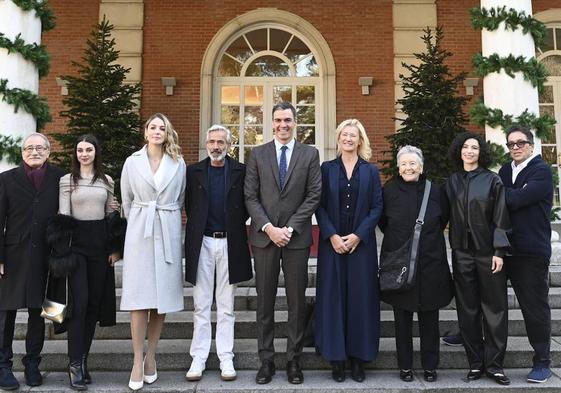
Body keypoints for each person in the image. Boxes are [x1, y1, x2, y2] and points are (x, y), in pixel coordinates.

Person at [244, 102, 321, 385]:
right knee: (264, 302)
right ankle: (266, 361)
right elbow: (250, 196)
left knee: (296, 303)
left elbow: (314, 195)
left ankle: (293, 360)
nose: (282, 125)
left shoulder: (310, 154)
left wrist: (288, 228)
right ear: (271, 123)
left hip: (296, 238)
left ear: (295, 123)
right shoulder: (258, 154)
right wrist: (268, 227)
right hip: (265, 239)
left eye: (287, 120)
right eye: (278, 120)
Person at [120, 113, 186, 391]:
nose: (157, 131)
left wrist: (166, 218)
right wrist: (140, 219)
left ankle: (152, 357)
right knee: (138, 298)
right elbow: (126, 200)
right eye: (153, 127)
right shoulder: (132, 162)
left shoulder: (178, 162)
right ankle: (137, 359)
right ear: (145, 132)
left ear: (167, 132)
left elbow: (180, 198)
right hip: (140, 231)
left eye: (162, 128)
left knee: (162, 300)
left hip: (168, 229)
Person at [315, 119, 383, 383]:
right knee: (333, 300)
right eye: (344, 134)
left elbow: (377, 207)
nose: (348, 139)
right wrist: (331, 235)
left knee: (360, 300)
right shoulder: (326, 169)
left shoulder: (371, 171)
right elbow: (318, 205)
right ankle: (336, 359)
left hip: (361, 247)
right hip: (331, 245)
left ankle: (358, 359)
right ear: (338, 138)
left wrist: (358, 235)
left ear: (360, 140)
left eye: (353, 135)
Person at [379, 145, 453, 383]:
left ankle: (430, 366)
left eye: (413, 164)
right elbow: (383, 223)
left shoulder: (436, 191)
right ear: (398, 168)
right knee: (402, 320)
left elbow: (443, 219)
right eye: (404, 164)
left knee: (430, 319)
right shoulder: (388, 191)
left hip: (431, 264)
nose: (408, 168)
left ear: (421, 168)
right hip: (399, 265)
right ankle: (405, 367)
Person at [184, 125, 252, 382]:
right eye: (212, 141)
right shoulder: (193, 172)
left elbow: (245, 207)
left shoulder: (240, 171)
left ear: (229, 145)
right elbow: (190, 206)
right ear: (206, 144)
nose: (216, 146)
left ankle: (226, 357)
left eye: (220, 142)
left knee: (226, 306)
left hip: (229, 243)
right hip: (202, 243)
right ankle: (198, 357)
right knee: (201, 304)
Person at [54, 134, 120, 390]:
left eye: (88, 149)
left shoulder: (107, 181)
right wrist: (64, 251)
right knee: (79, 304)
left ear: (96, 153)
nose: (83, 154)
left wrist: (115, 249)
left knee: (94, 305)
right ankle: (73, 364)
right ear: (75, 154)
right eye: (80, 150)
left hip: (100, 247)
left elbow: (110, 216)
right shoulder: (67, 180)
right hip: (76, 246)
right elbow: (63, 215)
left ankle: (82, 361)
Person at [0, 133, 65, 390]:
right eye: (29, 148)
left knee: (42, 311)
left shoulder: (61, 178)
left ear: (48, 151)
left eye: (40, 148)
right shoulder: (6, 179)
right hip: (13, 256)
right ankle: (4, 365)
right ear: (22, 152)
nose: (34, 151)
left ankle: (32, 363)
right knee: (6, 312)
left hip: (48, 256)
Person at [445, 132, 511, 385]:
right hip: (461, 254)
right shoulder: (452, 181)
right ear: (459, 151)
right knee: (468, 311)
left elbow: (502, 217)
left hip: (488, 254)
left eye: (474, 147)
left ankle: (494, 365)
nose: (469, 151)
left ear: (481, 152)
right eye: (465, 147)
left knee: (494, 310)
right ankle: (475, 364)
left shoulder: (492, 180)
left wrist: (499, 252)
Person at [498, 125, 553, 383]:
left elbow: (514, 200)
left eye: (520, 142)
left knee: (534, 309)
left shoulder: (541, 171)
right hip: (503, 250)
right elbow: (506, 200)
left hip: (530, 252)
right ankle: (470, 337)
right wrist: (508, 195)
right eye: (511, 144)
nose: (516, 147)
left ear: (531, 144)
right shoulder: (505, 170)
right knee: (488, 300)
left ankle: (542, 361)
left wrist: (502, 195)